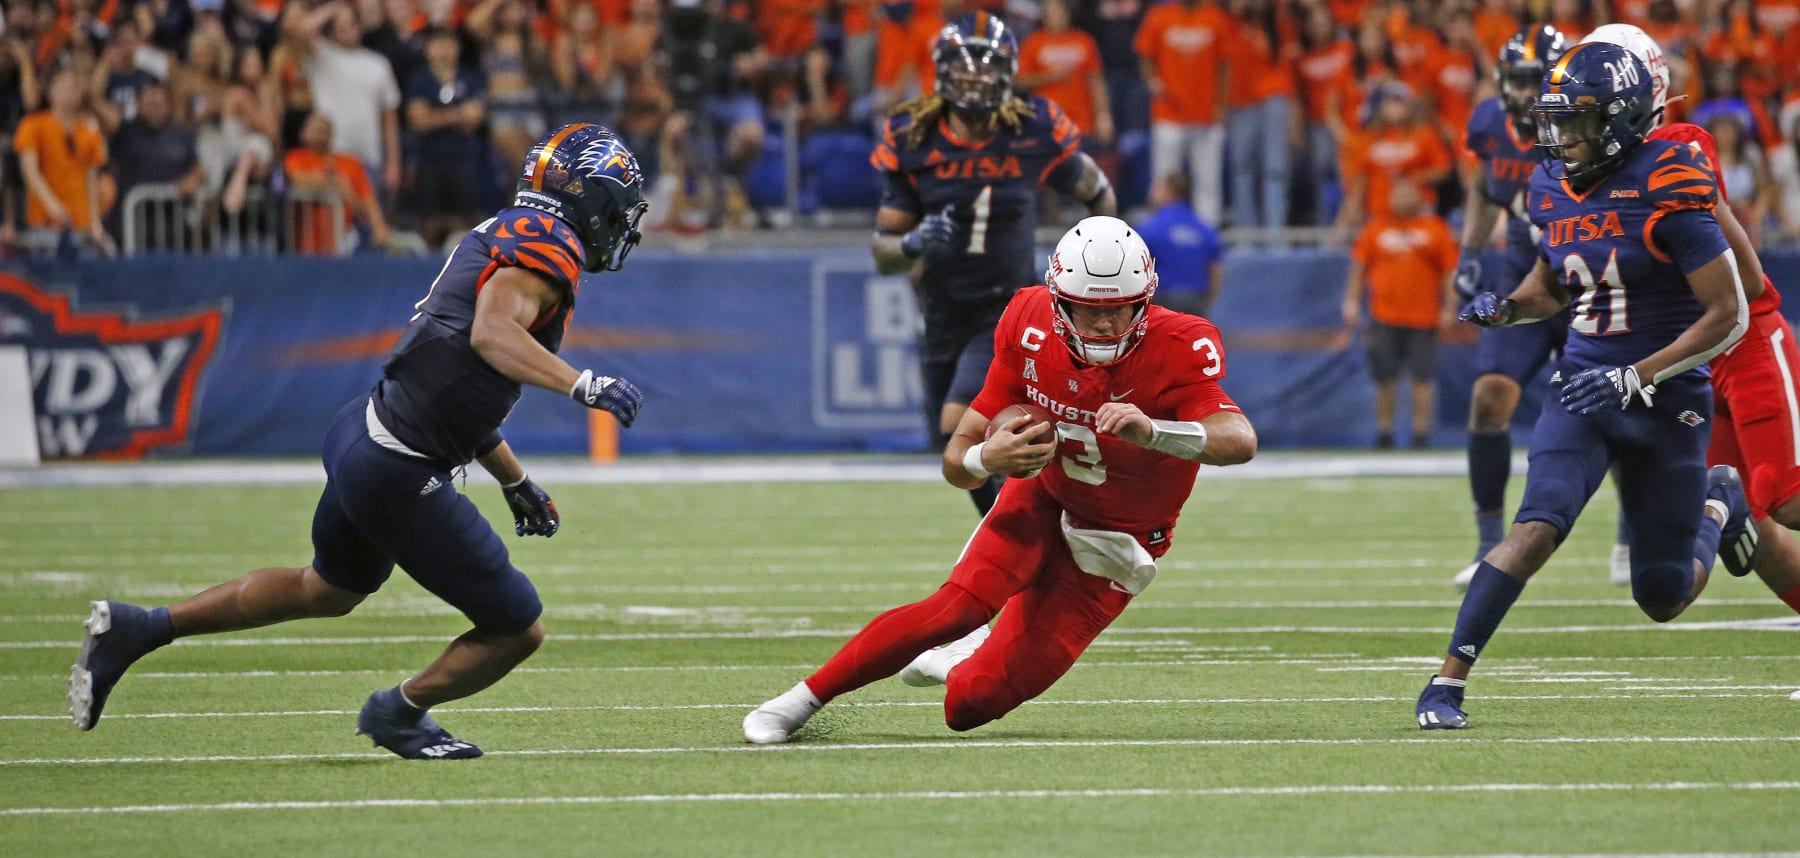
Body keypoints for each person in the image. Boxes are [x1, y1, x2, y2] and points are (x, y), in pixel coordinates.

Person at [68, 123, 650, 760]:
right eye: (618, 204)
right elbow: (490, 335)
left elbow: (456, 379)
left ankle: (140, 628)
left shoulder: (510, 228)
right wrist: (581, 383)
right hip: (398, 467)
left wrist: (513, 480)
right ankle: (400, 713)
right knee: (517, 626)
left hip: (366, 431)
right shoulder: (550, 241)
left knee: (327, 589)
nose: (621, 222)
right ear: (588, 196)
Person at [744, 215, 1258, 743]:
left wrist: (1155, 432)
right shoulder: (1027, 322)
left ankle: (960, 658)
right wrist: (989, 460)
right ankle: (797, 702)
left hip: (1116, 542)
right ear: (1060, 301)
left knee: (970, 705)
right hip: (1041, 496)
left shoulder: (1181, 342)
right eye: (1090, 309)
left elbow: (1239, 440)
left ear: (1143, 301)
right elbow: (956, 461)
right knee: (956, 607)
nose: (1106, 325)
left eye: (1119, 309)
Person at [1417, 43, 1755, 730]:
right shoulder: (1549, 185)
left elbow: (1732, 311)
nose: (1562, 137)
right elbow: (1554, 280)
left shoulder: (1668, 180)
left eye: (1579, 121)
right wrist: (1508, 308)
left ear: (1624, 118)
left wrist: (1636, 375)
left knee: (1662, 595)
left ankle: (1719, 502)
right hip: (1582, 384)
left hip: (1666, 398)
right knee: (1535, 527)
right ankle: (1446, 682)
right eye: (1558, 120)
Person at [1586, 24, 1800, 632]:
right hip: (1688, 361)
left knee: (1786, 499)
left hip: (1741, 336)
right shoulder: (1580, 177)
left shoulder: (1679, 145)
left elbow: (1749, 282)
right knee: (1752, 528)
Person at [869, 13, 1116, 516]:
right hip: (940, 308)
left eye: (988, 67)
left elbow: (1099, 194)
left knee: (960, 425)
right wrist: (914, 242)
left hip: (1008, 310)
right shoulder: (915, 137)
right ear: (942, 72)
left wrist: (1094, 261)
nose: (977, 78)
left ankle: (1020, 544)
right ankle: (1025, 536)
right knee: (959, 458)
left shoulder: (1033, 130)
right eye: (966, 67)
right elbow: (884, 255)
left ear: (1007, 73)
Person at [1450, 24, 1635, 588]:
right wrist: (1471, 252)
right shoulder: (1489, 124)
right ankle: (1488, 542)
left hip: (1591, 271)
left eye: (1538, 81)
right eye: (1520, 80)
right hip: (1525, 267)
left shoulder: (1589, 120)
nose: (1529, 94)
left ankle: (1632, 533)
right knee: (1490, 397)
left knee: (1620, 405)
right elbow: (1486, 187)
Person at [1340, 179, 1458, 449]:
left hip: (1423, 316)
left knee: (1423, 378)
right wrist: (1351, 302)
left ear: (1420, 196)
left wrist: (1450, 305)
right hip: (1384, 315)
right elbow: (1359, 268)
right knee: (1385, 378)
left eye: (1408, 193)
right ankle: (1384, 432)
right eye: (1398, 194)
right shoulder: (1375, 227)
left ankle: (1420, 434)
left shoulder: (1435, 229)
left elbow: (1449, 271)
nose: (1402, 200)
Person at [1135, 0, 1234, 224]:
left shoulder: (1216, 17)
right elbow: (1145, 55)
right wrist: (1153, 80)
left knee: (1208, 181)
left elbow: (1225, 64)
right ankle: (1163, 229)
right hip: (1169, 112)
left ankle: (1208, 234)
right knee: (1164, 177)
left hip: (1206, 113)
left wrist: (1221, 105)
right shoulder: (1159, 16)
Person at [1137, 172, 1223, 317]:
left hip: (1163, 300)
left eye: (1157, 188)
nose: (1151, 193)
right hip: (1197, 300)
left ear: (1169, 192)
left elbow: (1139, 267)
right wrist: (1211, 299)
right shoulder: (1205, 228)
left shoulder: (1150, 228)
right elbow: (1216, 269)